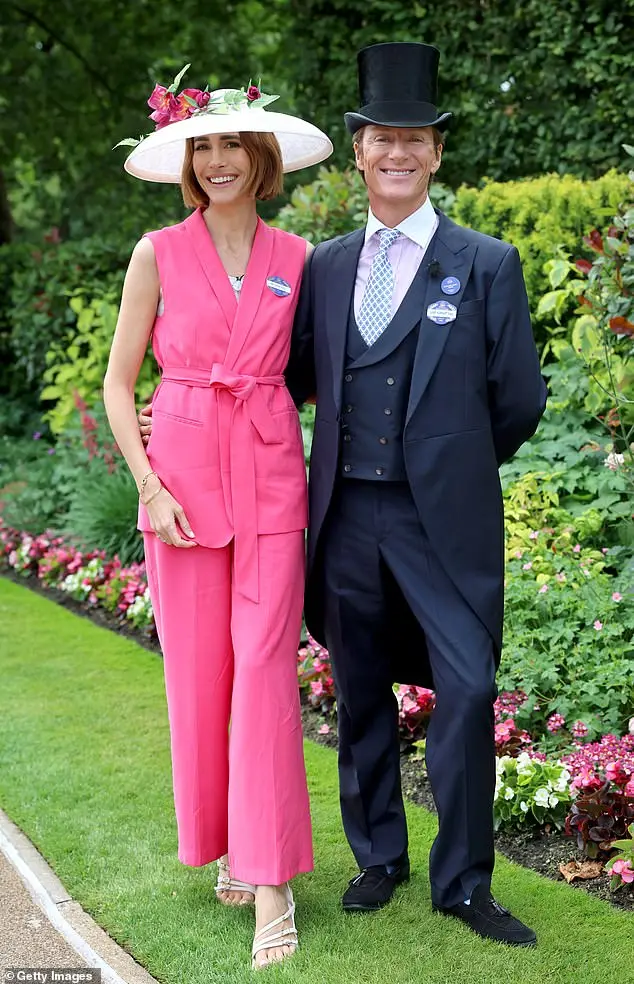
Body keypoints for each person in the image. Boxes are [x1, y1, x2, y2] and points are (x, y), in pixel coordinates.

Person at [285, 42, 547, 946]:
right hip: (348, 515)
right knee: (359, 689)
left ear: (436, 154)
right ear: (358, 152)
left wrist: (453, 463)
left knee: (467, 691)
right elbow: (289, 381)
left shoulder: (486, 263)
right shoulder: (324, 266)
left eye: (415, 139)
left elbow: (518, 400)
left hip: (445, 523)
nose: (397, 153)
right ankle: (379, 858)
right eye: (381, 138)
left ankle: (466, 881)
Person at [103, 70, 332, 969]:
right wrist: (152, 486)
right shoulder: (156, 252)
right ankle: (229, 847)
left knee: (267, 672)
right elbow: (121, 387)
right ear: (188, 160)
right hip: (184, 490)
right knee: (201, 676)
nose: (220, 158)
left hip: (273, 476)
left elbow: (314, 373)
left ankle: (271, 882)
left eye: (233, 143)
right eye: (204, 145)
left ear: (260, 156)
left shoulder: (301, 258)